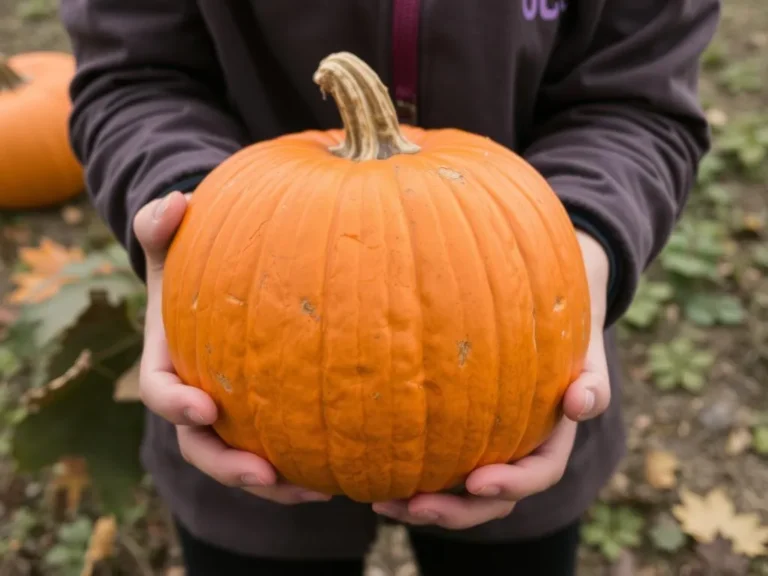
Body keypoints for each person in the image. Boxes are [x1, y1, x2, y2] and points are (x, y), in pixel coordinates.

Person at [59, 1, 720, 574]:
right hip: (244, 384)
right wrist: (202, 237)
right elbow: (135, 76)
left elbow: (637, 100)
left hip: (515, 388)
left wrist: (578, 255)